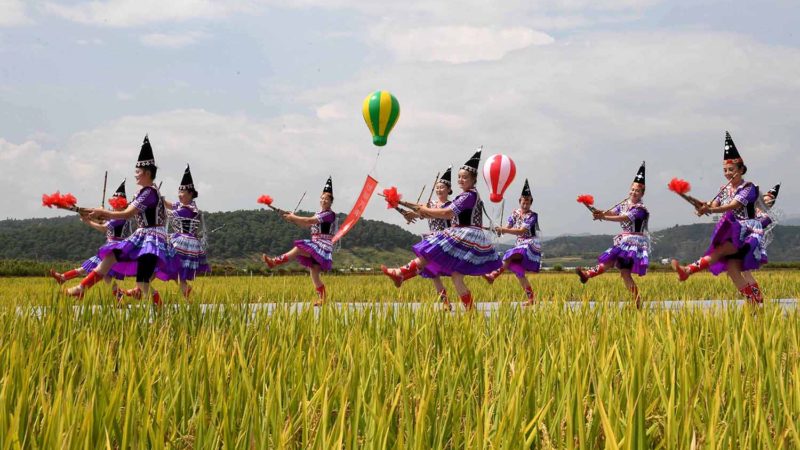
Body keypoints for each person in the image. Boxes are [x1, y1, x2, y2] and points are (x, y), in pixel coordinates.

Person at [381, 148, 502, 310]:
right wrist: (402, 203)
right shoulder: (466, 195)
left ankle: (401, 273)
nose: (460, 180)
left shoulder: (468, 196)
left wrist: (424, 211)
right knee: (456, 277)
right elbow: (427, 209)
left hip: (465, 233)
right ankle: (471, 312)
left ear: (474, 179)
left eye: (464, 177)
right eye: (459, 177)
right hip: (464, 232)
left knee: (431, 250)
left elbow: (447, 213)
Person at [65, 135, 176, 305]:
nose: (135, 175)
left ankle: (163, 313)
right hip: (144, 237)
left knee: (143, 283)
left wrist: (103, 213)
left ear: (147, 173)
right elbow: (122, 211)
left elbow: (127, 214)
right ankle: (82, 288)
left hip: (150, 239)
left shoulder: (148, 192)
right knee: (110, 258)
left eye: (138, 172)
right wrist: (93, 213)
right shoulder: (147, 192)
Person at [671, 132, 767, 305]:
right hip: (732, 230)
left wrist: (713, 209)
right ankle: (755, 301)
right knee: (732, 270)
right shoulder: (724, 189)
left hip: (746, 232)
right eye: (725, 170)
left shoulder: (749, 187)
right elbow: (714, 204)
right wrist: (703, 207)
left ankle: (688, 270)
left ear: (741, 170)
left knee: (721, 251)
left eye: (731, 170)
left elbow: (734, 206)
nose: (728, 173)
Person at [576, 162, 650, 308]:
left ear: (642, 194)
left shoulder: (640, 209)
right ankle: (638, 301)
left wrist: (603, 217)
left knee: (612, 261)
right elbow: (612, 212)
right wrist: (598, 211)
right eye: (632, 189)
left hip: (634, 242)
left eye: (637, 191)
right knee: (624, 274)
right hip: (625, 240)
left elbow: (624, 218)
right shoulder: (624, 204)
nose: (634, 192)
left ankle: (588, 274)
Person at [50, 180, 131, 301]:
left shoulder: (119, 217)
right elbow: (104, 223)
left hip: (114, 249)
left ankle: (68, 281)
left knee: (95, 269)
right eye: (113, 203)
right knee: (106, 276)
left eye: (116, 204)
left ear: (121, 205)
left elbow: (104, 228)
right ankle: (119, 298)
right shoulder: (119, 217)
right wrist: (93, 217)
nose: (114, 206)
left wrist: (89, 221)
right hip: (112, 248)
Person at [262, 177, 337, 306]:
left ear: (331, 202)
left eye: (326, 199)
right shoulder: (319, 213)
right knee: (314, 273)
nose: (323, 201)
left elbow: (308, 221)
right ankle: (323, 299)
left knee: (298, 249)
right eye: (322, 198)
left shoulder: (329, 214)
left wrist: (293, 217)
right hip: (317, 244)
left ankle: (274, 262)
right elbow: (305, 225)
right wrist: (292, 218)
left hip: (322, 245)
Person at [399, 168, 454, 310]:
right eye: (437, 187)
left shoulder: (451, 206)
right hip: (431, 240)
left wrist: (419, 213)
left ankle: (402, 275)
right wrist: (408, 212)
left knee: (455, 274)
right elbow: (421, 212)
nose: (439, 190)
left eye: (442, 187)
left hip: (444, 242)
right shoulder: (431, 204)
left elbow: (429, 214)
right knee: (434, 274)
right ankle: (446, 303)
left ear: (449, 190)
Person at [483, 179, 542, 306]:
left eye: (527, 202)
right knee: (519, 273)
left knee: (510, 254)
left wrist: (503, 230)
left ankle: (494, 275)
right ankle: (531, 299)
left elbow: (521, 231)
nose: (525, 204)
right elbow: (508, 227)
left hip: (530, 243)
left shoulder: (533, 215)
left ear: (531, 203)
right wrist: (499, 230)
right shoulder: (515, 213)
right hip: (520, 243)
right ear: (519, 202)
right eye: (523, 202)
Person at [161, 164, 210, 299]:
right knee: (178, 275)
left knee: (168, 264)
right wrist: (159, 196)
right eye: (179, 192)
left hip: (184, 242)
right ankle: (191, 298)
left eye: (182, 193)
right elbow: (170, 204)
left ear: (190, 194)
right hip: (181, 239)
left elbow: (169, 212)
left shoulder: (189, 209)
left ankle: (141, 287)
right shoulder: (183, 205)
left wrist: (157, 204)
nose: (179, 195)